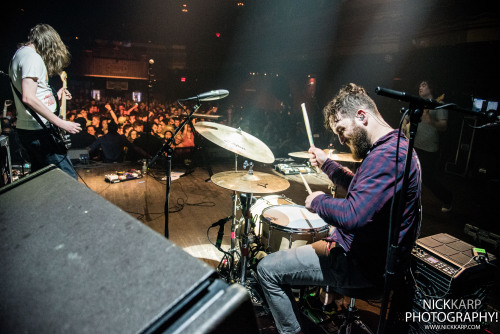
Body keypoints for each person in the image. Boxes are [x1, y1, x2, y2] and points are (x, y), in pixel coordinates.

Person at [257, 83, 422, 334]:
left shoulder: (386, 156)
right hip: (365, 255)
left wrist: (318, 201)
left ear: (362, 116)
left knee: (267, 270)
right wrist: (327, 164)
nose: (341, 139)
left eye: (342, 130)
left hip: (360, 265)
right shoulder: (394, 148)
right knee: (300, 255)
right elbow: (362, 190)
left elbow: (353, 215)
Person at [9, 23, 82, 179]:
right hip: (39, 131)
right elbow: (28, 97)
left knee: (42, 178)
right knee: (68, 178)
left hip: (32, 129)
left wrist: (56, 95)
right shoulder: (33, 57)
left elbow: (35, 93)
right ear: (48, 43)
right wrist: (61, 123)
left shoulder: (21, 54)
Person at [404, 80, 453, 212]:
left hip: (428, 148)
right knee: (406, 174)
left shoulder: (439, 104)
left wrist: (430, 121)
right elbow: (406, 117)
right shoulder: (416, 103)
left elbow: (443, 126)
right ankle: (406, 203)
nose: (420, 87)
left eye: (424, 85)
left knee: (427, 179)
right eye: (419, 85)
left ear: (431, 88)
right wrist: (404, 125)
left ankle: (447, 197)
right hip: (412, 145)